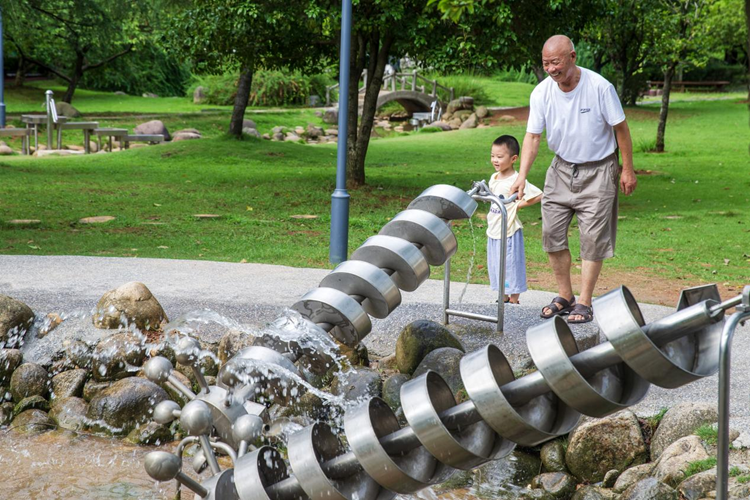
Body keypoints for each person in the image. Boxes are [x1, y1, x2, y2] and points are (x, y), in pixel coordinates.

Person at [509, 34, 637, 323]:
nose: (551, 69)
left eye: (555, 62)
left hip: (599, 169)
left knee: (592, 238)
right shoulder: (541, 93)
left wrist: (627, 169)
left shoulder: (600, 87)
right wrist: (522, 176)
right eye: (546, 64)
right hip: (561, 168)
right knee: (551, 233)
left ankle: (585, 302)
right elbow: (532, 136)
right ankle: (565, 296)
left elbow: (621, 129)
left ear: (572, 57)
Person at [486, 135, 543, 305]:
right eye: (492, 156)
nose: (495, 160)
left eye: (499, 156)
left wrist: (517, 205)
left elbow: (539, 195)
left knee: (511, 264)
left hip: (509, 230)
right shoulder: (494, 177)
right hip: (494, 229)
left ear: (513, 159)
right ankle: (503, 295)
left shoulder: (516, 179)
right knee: (497, 264)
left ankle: (514, 299)